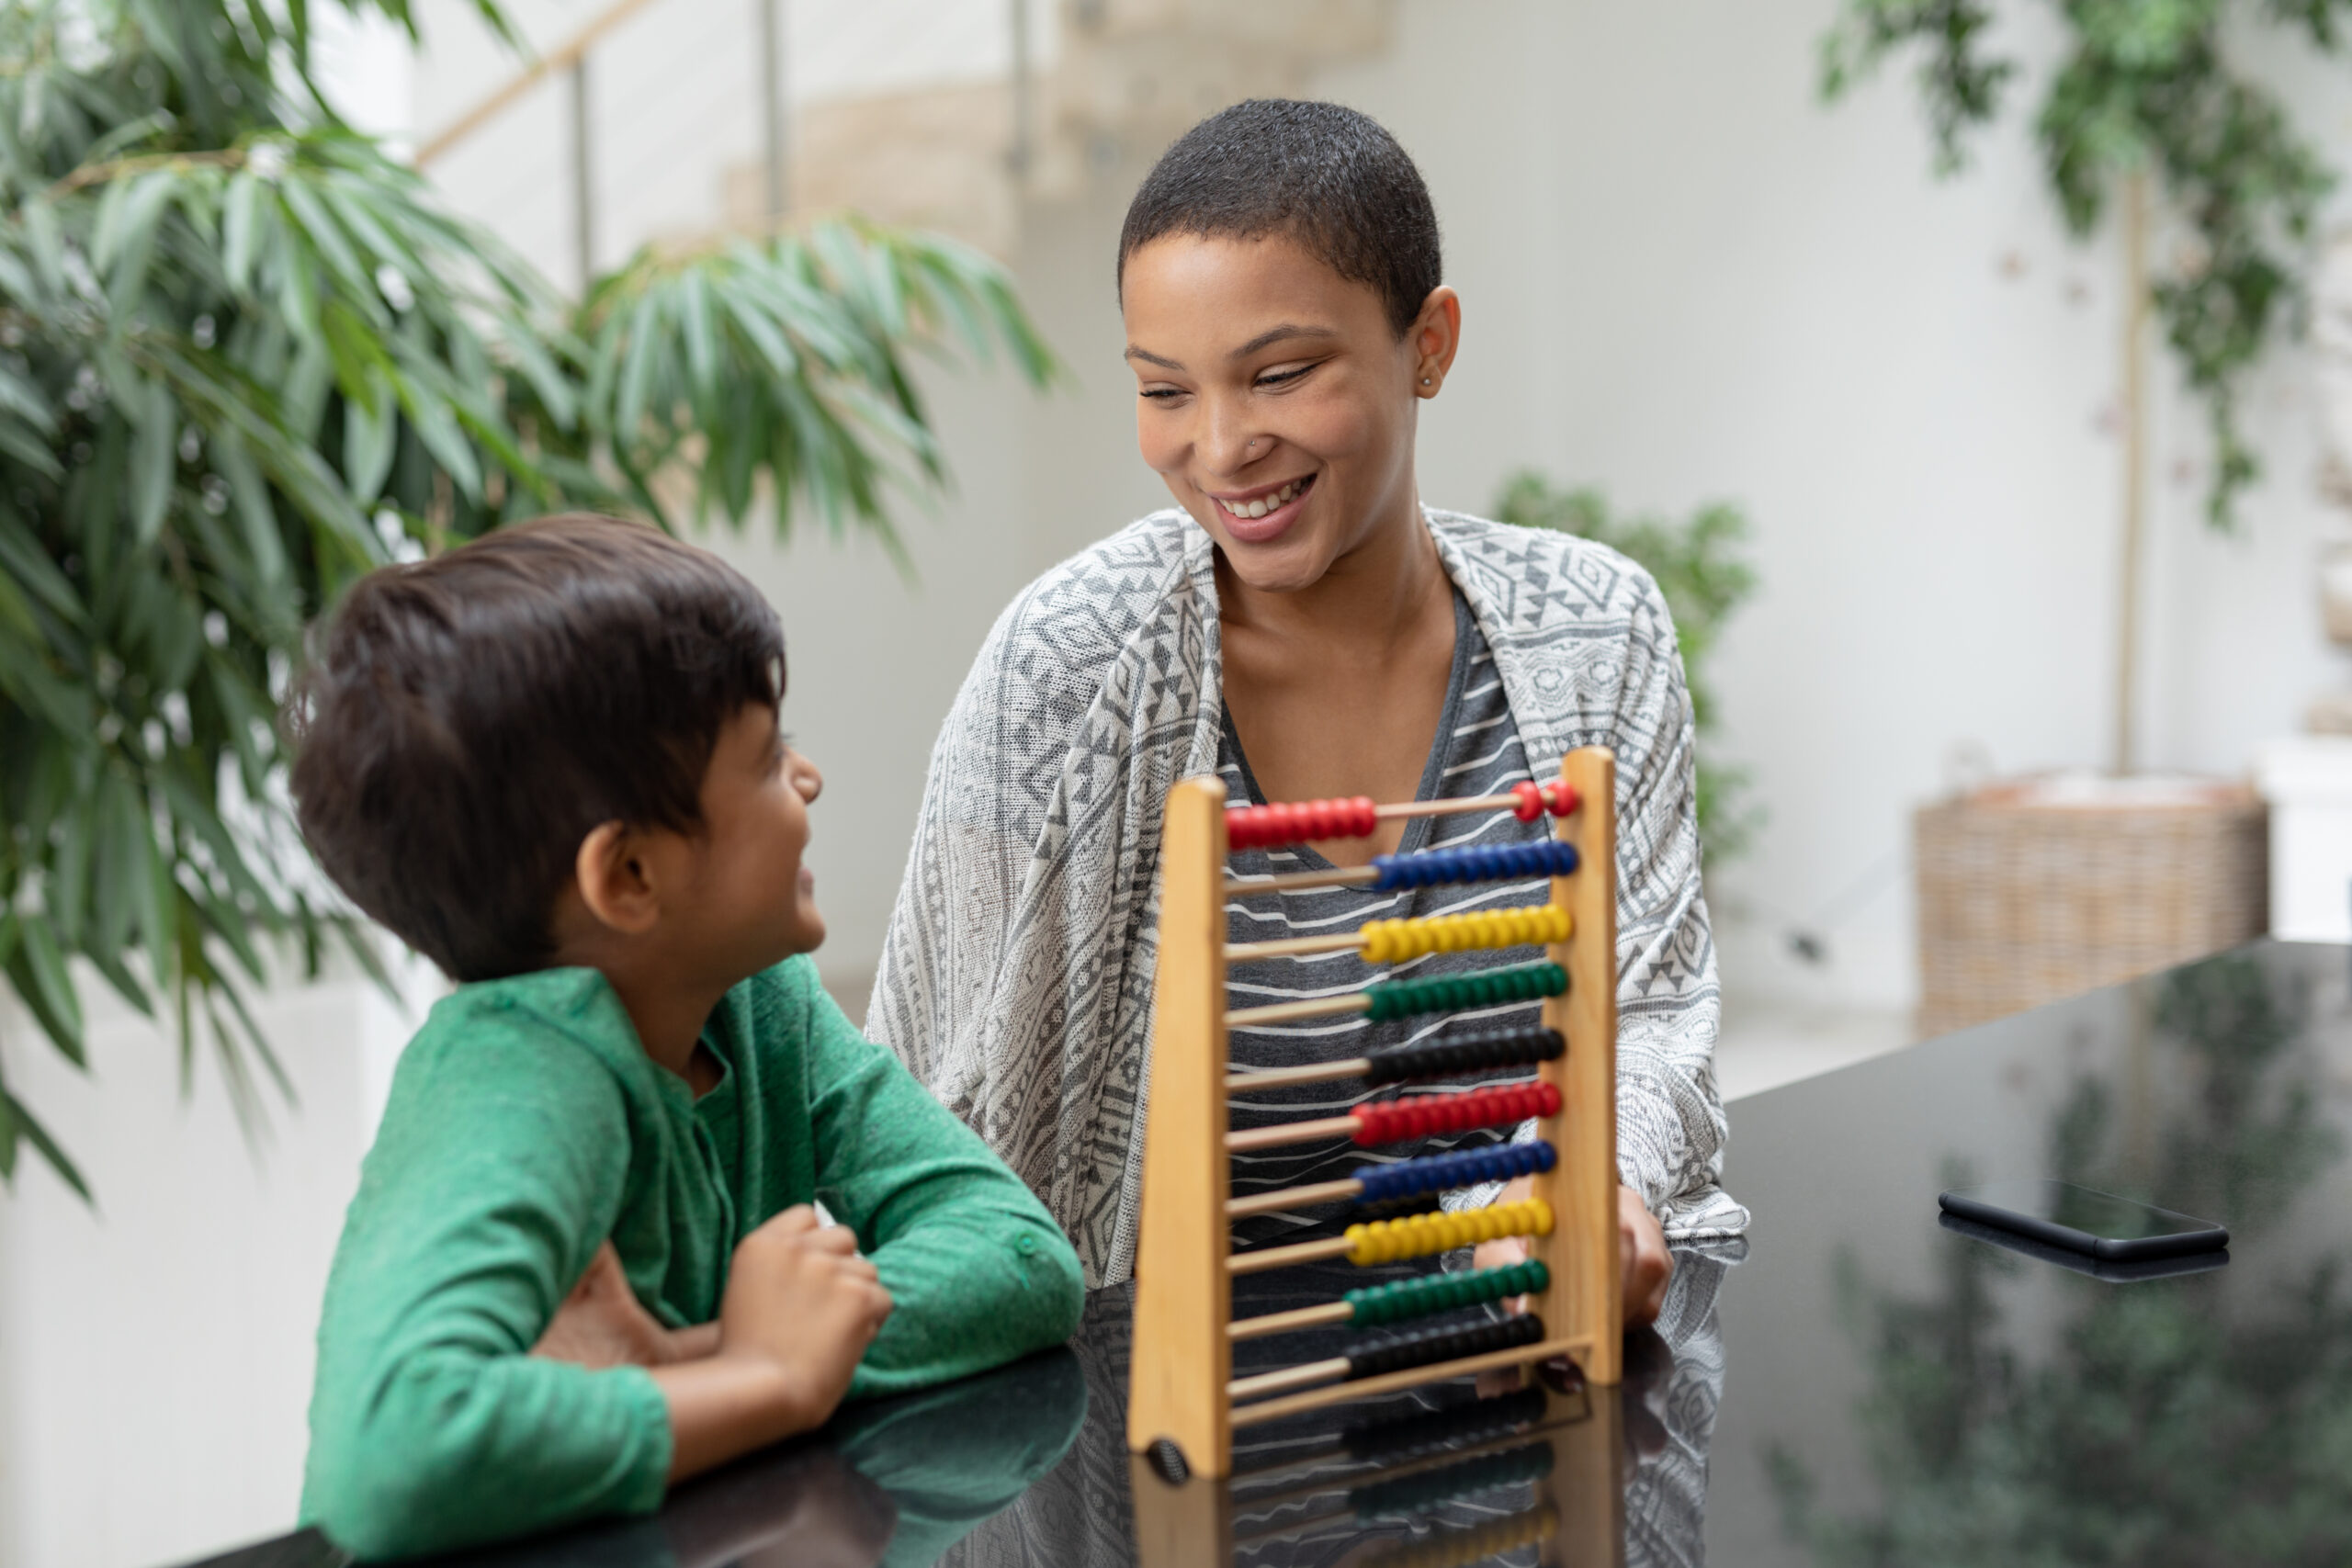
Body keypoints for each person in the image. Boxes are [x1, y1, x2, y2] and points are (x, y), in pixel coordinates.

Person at [868, 100, 1747, 1315]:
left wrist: (1585, 1186)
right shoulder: (1063, 663)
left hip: (1510, 1348)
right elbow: (920, 1101)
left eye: (1280, 374)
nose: (1220, 447)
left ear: (1428, 343)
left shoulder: (1600, 627)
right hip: (1168, 1403)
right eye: (1165, 390)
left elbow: (1648, 1012)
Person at [288, 515, 1084, 1560]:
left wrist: (714, 1358)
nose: (809, 781)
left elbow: (1018, 1257)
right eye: (766, 760)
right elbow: (388, 1462)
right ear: (627, 879)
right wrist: (764, 1379)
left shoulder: (755, 1006)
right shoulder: (512, 1078)